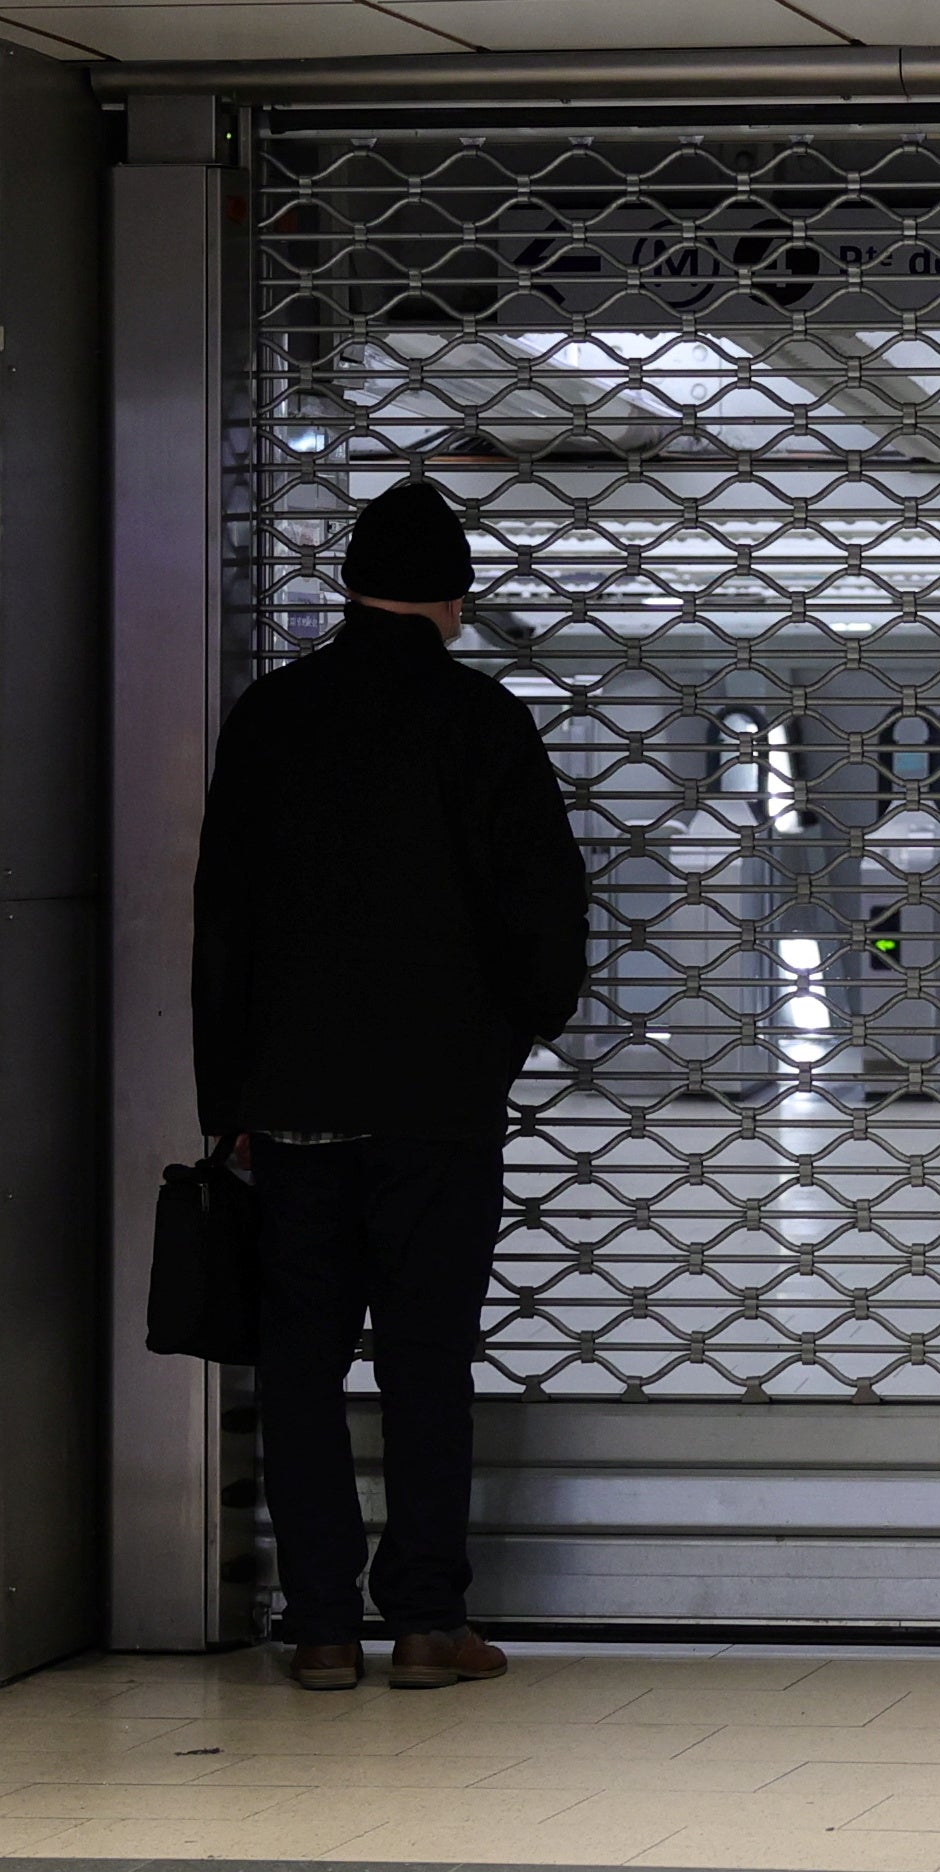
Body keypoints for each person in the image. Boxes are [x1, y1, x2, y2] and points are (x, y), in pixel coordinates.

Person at [193, 480, 589, 1692]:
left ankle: (319, 1629)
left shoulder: (272, 716)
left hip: (296, 1104)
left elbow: (225, 923)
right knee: (427, 1362)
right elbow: (543, 909)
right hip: (437, 1107)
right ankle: (426, 1623)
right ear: (454, 601)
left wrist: (230, 1106)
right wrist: (517, 1031)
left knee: (300, 1361)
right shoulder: (481, 721)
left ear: (351, 587)